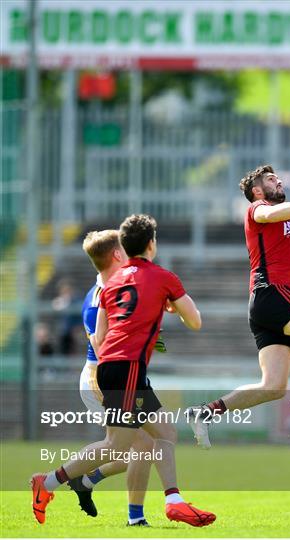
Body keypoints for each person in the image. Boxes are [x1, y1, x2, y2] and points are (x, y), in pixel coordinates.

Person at [31, 215, 216, 528]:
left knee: (164, 433)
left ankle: (174, 501)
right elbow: (195, 321)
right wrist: (168, 302)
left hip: (116, 368)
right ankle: (47, 484)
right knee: (117, 446)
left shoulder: (110, 284)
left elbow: (101, 338)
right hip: (127, 368)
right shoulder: (163, 277)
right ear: (151, 244)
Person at [186, 168, 290, 449]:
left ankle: (205, 412)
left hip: (266, 305)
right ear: (257, 191)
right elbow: (270, 215)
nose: (279, 181)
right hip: (272, 294)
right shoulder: (258, 208)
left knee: (272, 387)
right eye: (271, 180)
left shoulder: (287, 212)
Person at [66, 229, 157, 526]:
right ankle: (135, 518)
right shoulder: (99, 298)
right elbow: (104, 349)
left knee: (140, 446)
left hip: (121, 376)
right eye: (125, 247)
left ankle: (86, 480)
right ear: (118, 255)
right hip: (101, 379)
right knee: (141, 445)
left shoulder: (119, 287)